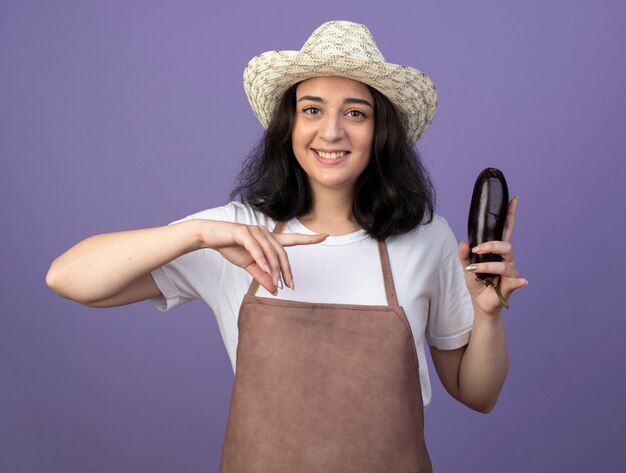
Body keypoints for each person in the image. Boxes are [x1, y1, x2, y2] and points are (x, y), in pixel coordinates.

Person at [46, 20, 527, 472]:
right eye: (312, 109)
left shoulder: (426, 237)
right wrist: (196, 234)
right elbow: (67, 278)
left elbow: (477, 394)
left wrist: (488, 313)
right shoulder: (236, 234)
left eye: (355, 113)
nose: (331, 131)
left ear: (381, 132)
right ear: (289, 126)